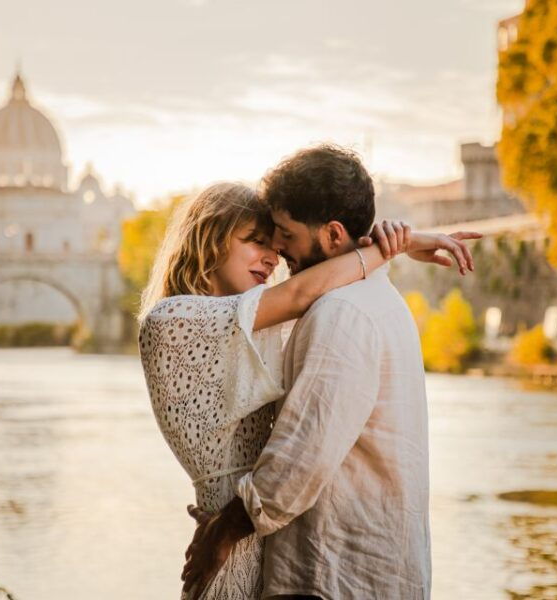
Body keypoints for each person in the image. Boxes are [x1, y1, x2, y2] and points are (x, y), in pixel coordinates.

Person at [141, 151, 479, 600]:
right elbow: (303, 289)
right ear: (209, 242)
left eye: (279, 238)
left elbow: (302, 456)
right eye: (257, 240)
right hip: (240, 551)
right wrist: (393, 244)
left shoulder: (327, 313)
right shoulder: (176, 320)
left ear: (334, 233)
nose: (274, 253)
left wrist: (391, 242)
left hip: (267, 547)